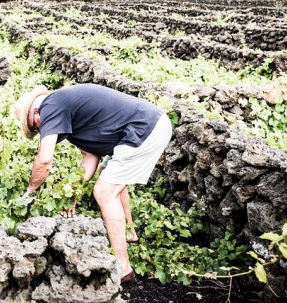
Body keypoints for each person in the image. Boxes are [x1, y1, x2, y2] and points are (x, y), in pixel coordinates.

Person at [13, 83, 173, 284]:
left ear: (35, 113)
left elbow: (44, 159)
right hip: (145, 125)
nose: (40, 131)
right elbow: (90, 157)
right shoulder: (67, 111)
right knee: (109, 174)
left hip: (145, 127)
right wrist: (73, 193)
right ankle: (129, 233)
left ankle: (123, 268)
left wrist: (30, 190)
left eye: (35, 127)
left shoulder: (50, 105)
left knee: (105, 191)